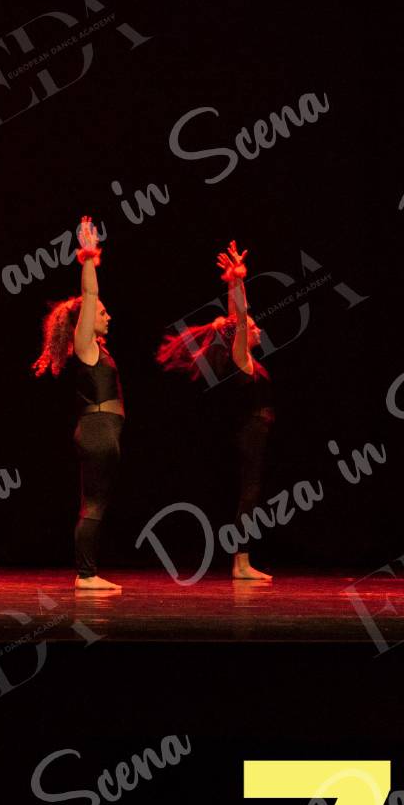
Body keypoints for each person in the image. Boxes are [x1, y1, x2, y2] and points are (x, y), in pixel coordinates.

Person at [156, 240, 275, 580]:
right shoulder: (241, 360)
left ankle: (242, 561)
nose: (258, 328)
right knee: (249, 493)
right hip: (251, 433)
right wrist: (238, 282)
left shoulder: (246, 359)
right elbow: (239, 321)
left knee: (250, 493)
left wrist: (235, 281)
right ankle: (241, 563)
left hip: (253, 432)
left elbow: (238, 321)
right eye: (253, 327)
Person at [33, 217, 123, 591]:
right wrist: (88, 258)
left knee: (97, 502)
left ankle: (88, 572)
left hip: (103, 431)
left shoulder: (97, 349)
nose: (107, 315)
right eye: (102, 312)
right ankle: (86, 575)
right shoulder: (85, 347)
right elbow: (89, 295)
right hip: (98, 431)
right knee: (94, 504)